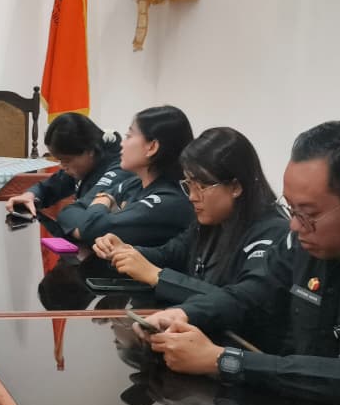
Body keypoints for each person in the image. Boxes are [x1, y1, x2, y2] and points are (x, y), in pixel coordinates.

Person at [142, 118, 340, 405]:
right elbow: (250, 294)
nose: (294, 225)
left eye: (308, 213)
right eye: (290, 208)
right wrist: (185, 314)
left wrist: (225, 361)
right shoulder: (304, 241)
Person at [93, 127, 288, 305]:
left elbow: (240, 303)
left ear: (235, 187)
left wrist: (157, 276)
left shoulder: (272, 232)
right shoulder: (213, 220)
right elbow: (170, 253)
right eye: (188, 185)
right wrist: (126, 251)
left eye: (201, 186)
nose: (192, 197)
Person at [60, 106, 195, 247]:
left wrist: (102, 200)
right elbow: (68, 211)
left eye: (129, 136)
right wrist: (95, 218)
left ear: (152, 147)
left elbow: (92, 229)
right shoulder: (134, 183)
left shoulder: (168, 201)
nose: (122, 144)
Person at [4, 112, 130, 238]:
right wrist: (31, 195)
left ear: (90, 151)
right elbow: (53, 185)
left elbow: (84, 213)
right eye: (60, 161)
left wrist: (67, 215)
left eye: (66, 160)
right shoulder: (90, 159)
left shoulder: (120, 167)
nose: (62, 166)